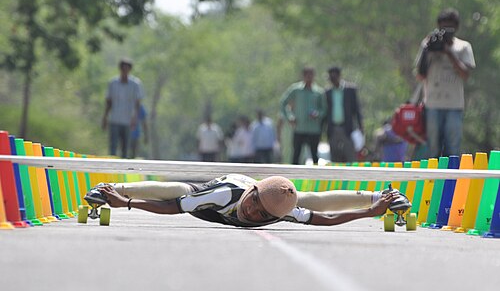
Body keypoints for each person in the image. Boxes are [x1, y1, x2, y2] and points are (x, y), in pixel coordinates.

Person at [84, 174, 411, 228]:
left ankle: (381, 194)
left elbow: (324, 219)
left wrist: (373, 210)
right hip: (216, 203)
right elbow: (173, 208)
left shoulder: (282, 211)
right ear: (253, 192)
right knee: (179, 189)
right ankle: (112, 187)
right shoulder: (226, 196)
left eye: (261, 214)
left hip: (277, 194)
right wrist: (125, 202)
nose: (251, 213)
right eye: (254, 204)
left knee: (311, 199)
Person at [415, 8, 475, 158]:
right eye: (443, 27)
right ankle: (433, 180)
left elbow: (465, 74)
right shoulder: (428, 44)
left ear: (456, 27)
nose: (446, 31)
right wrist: (428, 49)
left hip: (454, 105)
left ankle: (452, 181)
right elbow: (420, 75)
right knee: (432, 148)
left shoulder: (463, 46)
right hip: (433, 105)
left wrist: (449, 52)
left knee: (452, 149)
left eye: (450, 27)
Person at [280, 67, 325, 165]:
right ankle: (293, 178)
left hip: (313, 129)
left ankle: (315, 178)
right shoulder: (296, 90)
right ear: (303, 76)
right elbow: (283, 103)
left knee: (314, 156)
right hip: (299, 128)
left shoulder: (319, 92)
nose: (309, 77)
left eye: (311, 75)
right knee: (296, 155)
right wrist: (290, 117)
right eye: (306, 75)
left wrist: (317, 114)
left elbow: (324, 110)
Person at [102, 58, 145, 158]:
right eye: (123, 68)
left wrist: (135, 118)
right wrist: (105, 117)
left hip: (128, 121)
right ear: (120, 69)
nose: (125, 71)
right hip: (115, 120)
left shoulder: (135, 84)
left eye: (127, 69)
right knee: (113, 147)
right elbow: (109, 102)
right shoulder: (113, 83)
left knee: (125, 149)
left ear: (130, 70)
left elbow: (137, 103)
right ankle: (111, 170)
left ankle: (122, 171)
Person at [324, 66, 363, 162]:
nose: (332, 80)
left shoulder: (350, 90)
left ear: (339, 76)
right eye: (331, 78)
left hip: (347, 128)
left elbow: (356, 109)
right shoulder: (327, 92)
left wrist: (361, 126)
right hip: (333, 128)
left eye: (334, 77)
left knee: (350, 155)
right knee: (334, 157)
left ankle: (352, 177)